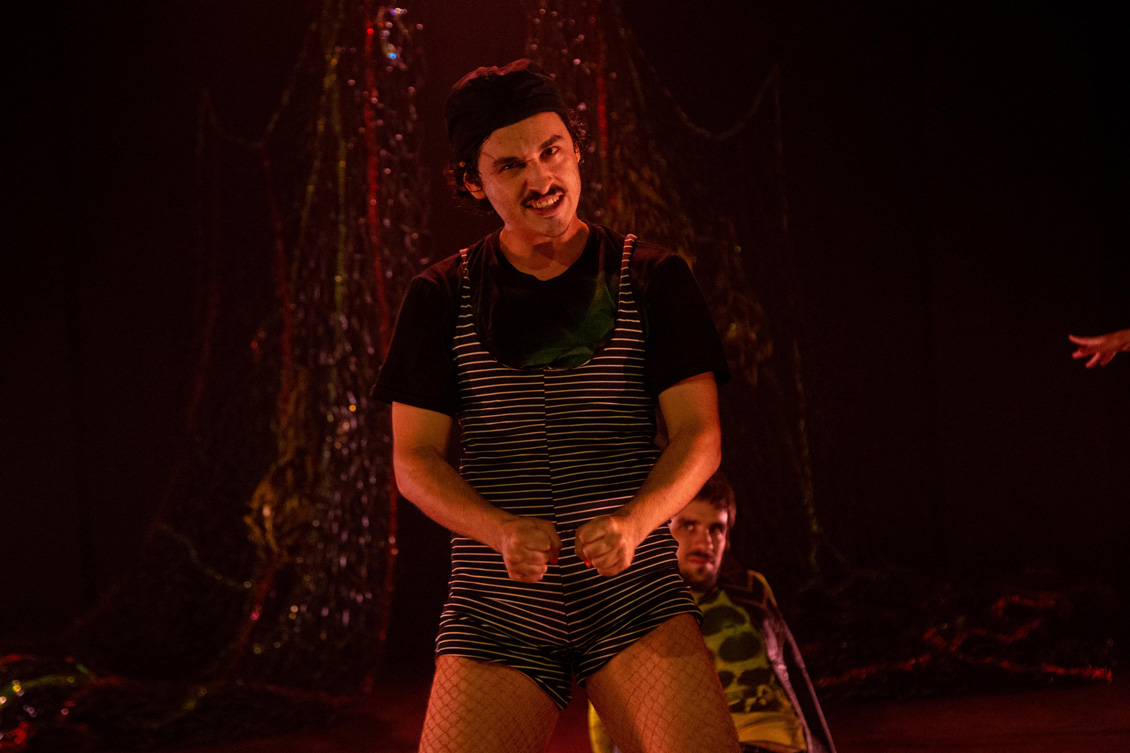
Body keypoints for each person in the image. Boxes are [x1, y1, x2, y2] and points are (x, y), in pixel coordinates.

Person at [373, 59, 738, 752]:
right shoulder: (440, 295)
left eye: (551, 151)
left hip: (633, 595)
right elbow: (414, 460)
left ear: (576, 149)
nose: (541, 178)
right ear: (472, 182)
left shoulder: (654, 277)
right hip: (498, 606)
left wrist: (635, 523)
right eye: (510, 165)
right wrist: (499, 529)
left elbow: (700, 436)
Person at [589, 472, 837, 753]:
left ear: (727, 540)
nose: (704, 541)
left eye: (716, 529)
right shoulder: (632, 606)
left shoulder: (751, 588)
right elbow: (607, 713)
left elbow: (796, 678)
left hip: (781, 743)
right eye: (688, 526)